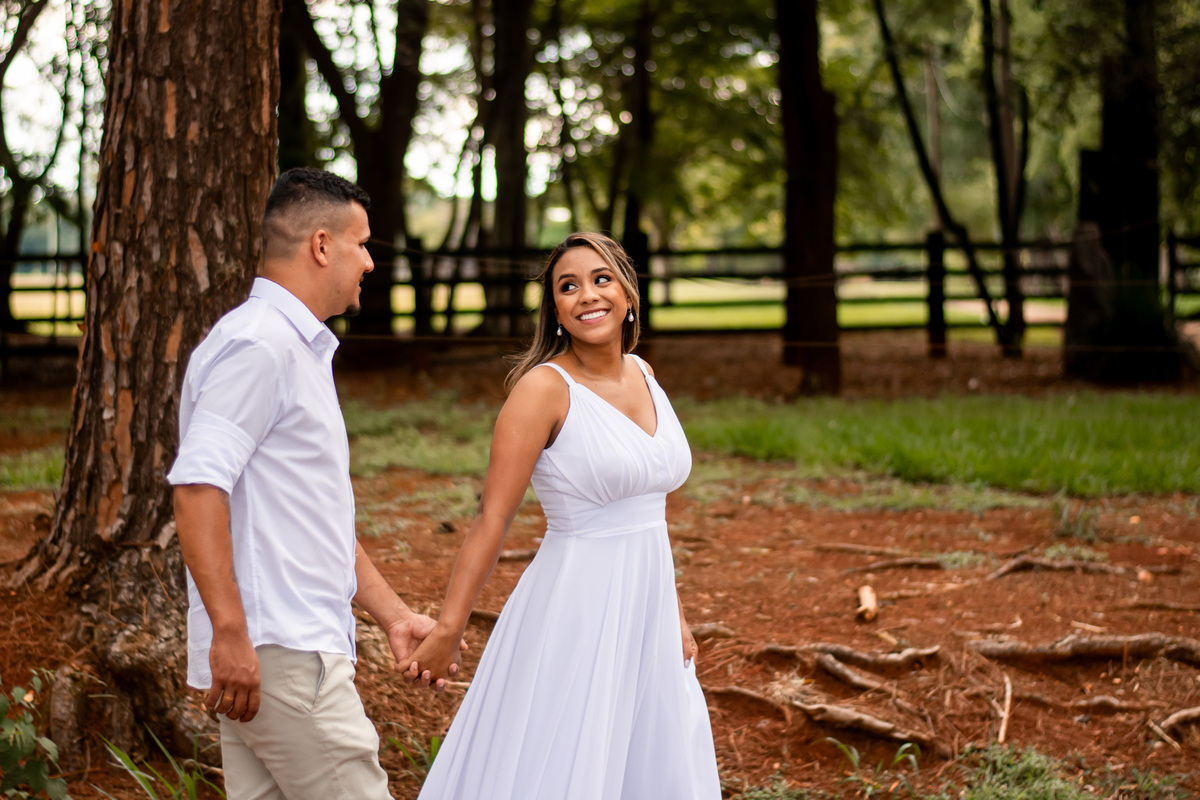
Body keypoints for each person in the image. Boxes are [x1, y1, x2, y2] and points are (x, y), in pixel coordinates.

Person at [168, 167, 458, 800]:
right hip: (280, 653)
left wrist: (393, 615)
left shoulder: (295, 349)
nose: (370, 264)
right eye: (362, 245)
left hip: (281, 650)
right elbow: (196, 487)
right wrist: (231, 633)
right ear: (321, 245)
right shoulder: (260, 346)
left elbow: (313, 518)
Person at [406, 232, 721, 799]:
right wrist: (450, 629)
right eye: (567, 287)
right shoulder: (543, 391)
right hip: (576, 606)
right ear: (554, 311)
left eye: (601, 280)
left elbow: (650, 516)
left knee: (645, 753)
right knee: (564, 758)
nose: (586, 296)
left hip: (647, 608)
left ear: (627, 294)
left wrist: (672, 613)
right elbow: (491, 521)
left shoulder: (645, 374)